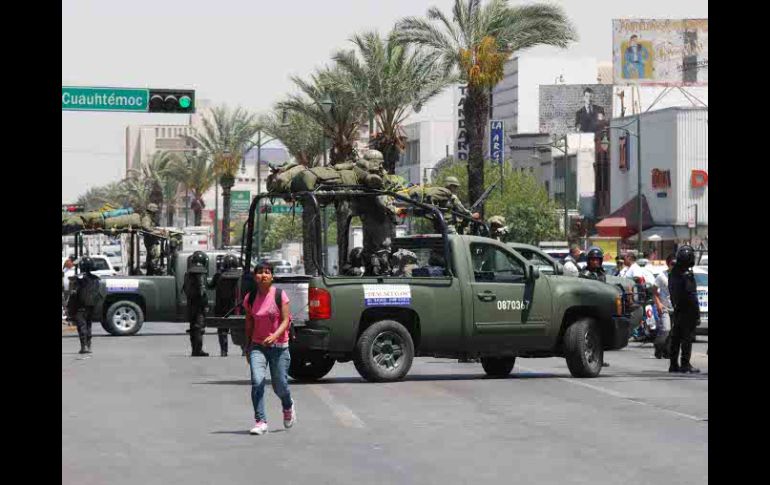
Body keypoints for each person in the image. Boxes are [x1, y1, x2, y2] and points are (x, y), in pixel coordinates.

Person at [243, 261, 296, 435]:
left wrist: (274, 336)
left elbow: (286, 320)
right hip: (258, 346)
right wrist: (248, 346)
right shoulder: (250, 298)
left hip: (279, 346)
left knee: (280, 385)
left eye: (267, 272)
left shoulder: (280, 295)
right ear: (255, 277)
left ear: (272, 276)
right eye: (259, 272)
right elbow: (249, 322)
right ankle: (260, 421)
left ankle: (287, 405)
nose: (263, 275)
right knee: (257, 381)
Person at [668, 245, 701, 373]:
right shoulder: (687, 275)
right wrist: (697, 314)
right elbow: (692, 296)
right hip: (688, 311)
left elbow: (672, 292)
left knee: (676, 337)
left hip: (678, 309)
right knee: (687, 338)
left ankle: (673, 364)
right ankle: (685, 364)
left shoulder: (673, 273)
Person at [68, 257, 106, 354]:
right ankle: (88, 345)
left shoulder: (78, 279)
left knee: (82, 326)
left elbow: (73, 293)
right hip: (92, 306)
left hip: (80, 306)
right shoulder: (96, 279)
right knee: (88, 325)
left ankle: (84, 346)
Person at [207, 253, 242, 357]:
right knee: (241, 328)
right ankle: (244, 349)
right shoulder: (241, 275)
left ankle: (224, 351)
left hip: (222, 307)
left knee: (222, 330)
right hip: (238, 307)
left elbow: (210, 286)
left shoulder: (218, 276)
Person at [182, 251, 210, 357]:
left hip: (191, 303)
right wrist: (205, 304)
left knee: (193, 326)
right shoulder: (201, 272)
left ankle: (194, 349)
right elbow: (203, 290)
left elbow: (185, 288)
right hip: (199, 304)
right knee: (199, 327)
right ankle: (198, 350)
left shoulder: (188, 273)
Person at [652, 253, 675, 359]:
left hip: (676, 308)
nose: (674, 266)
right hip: (665, 307)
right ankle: (658, 345)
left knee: (673, 333)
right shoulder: (661, 276)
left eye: (676, 263)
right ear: (668, 264)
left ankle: (667, 351)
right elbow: (654, 291)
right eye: (672, 263)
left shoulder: (680, 276)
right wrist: (659, 304)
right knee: (666, 329)